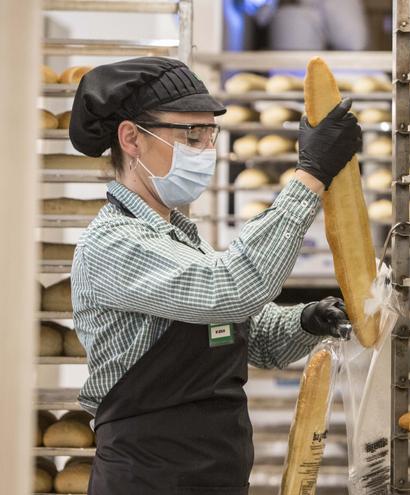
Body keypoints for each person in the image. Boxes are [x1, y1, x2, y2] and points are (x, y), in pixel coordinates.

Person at [68, 57, 361, 494]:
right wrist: (310, 176)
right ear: (131, 138)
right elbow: (229, 291)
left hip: (216, 478)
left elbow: (249, 338)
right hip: (148, 481)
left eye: (209, 134)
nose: (205, 149)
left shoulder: (182, 239)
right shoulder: (113, 244)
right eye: (190, 135)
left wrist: (304, 321)